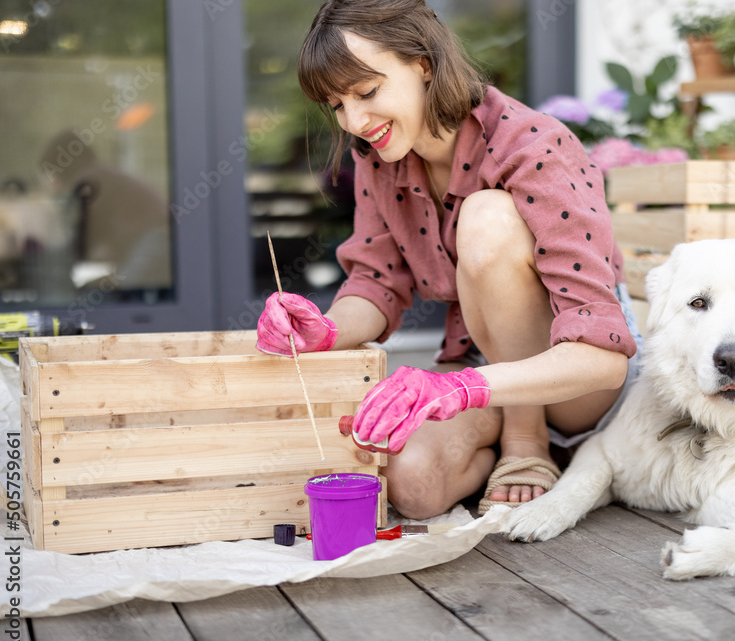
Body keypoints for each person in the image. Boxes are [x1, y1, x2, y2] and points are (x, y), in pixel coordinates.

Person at [257, 0, 643, 520]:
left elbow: (603, 358)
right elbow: (376, 284)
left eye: (367, 92)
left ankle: (526, 445)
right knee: (412, 484)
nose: (355, 120)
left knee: (486, 218)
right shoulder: (380, 159)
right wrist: (321, 332)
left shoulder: (532, 145)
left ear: (424, 64)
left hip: (572, 380)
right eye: (337, 105)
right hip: (485, 373)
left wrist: (458, 388)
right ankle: (520, 446)